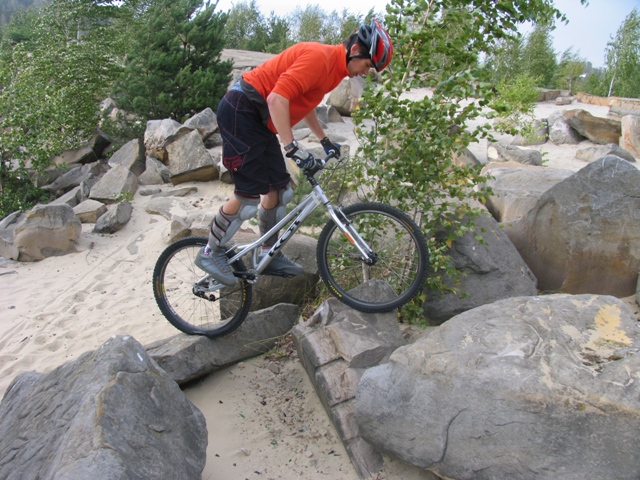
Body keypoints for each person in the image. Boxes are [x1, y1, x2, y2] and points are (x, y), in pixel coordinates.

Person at [195, 19, 394, 286]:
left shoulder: (335, 69)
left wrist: (324, 140)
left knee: (280, 192)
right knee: (247, 198)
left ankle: (267, 252)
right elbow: (277, 99)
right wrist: (291, 147)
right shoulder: (320, 58)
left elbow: (304, 102)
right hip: (242, 109)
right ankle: (210, 252)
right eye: (367, 65)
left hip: (260, 119)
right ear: (355, 49)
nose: (365, 72)